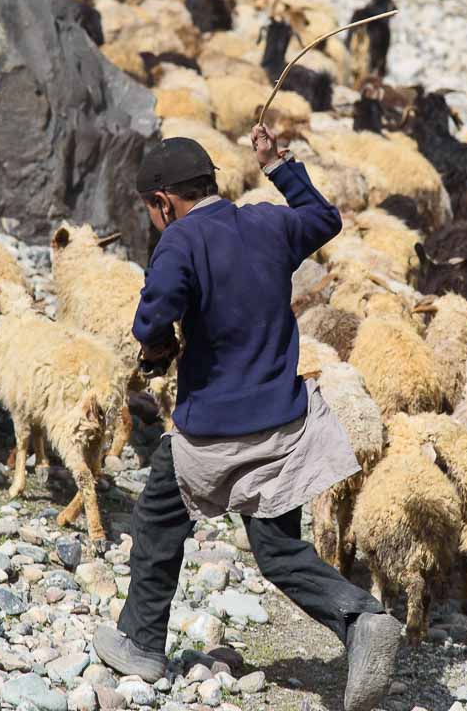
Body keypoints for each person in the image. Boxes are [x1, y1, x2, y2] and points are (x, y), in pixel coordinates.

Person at [93, 126, 401, 711]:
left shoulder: (179, 243)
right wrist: (277, 164)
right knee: (280, 552)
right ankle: (362, 617)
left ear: (163, 201)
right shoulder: (268, 222)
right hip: (284, 424)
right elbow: (322, 217)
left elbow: (151, 320)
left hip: (211, 430)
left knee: (158, 524)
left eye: (153, 210)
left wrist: (159, 347)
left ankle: (141, 643)